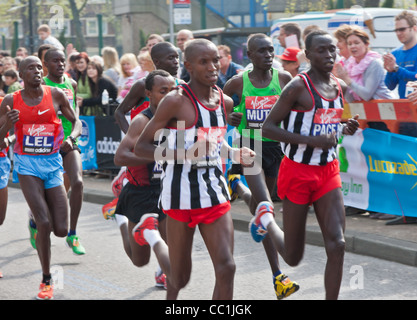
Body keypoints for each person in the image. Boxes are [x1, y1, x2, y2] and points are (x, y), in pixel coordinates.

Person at [134, 39, 254, 300]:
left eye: (215, 60)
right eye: (204, 61)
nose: (212, 67)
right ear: (188, 65)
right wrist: (186, 154)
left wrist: (234, 153)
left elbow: (214, 140)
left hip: (214, 191)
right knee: (179, 276)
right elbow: (141, 148)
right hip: (179, 195)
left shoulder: (224, 101)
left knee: (227, 267)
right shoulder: (175, 101)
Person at [255, 30, 360, 300]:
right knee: (292, 256)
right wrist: (310, 141)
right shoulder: (297, 87)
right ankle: (266, 218)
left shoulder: (340, 87)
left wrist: (343, 128)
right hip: (297, 171)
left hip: (328, 172)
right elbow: (268, 127)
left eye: (332, 50)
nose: (329, 55)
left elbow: (324, 120)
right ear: (308, 54)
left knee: (337, 245)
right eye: (321, 50)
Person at [223, 33, 299, 300]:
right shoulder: (237, 82)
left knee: (262, 204)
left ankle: (235, 185)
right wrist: (228, 116)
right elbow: (216, 108)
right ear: (250, 55)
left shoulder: (284, 80)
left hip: (276, 148)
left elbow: (297, 113)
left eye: (271, 50)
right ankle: (278, 276)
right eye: (262, 51)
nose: (268, 55)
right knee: (266, 207)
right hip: (248, 144)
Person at [0, 56, 82, 300]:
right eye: (30, 68)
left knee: (61, 229)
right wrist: (7, 126)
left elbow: (75, 121)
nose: (36, 71)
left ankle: (36, 223)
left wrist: (72, 138)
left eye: (38, 67)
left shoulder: (56, 94)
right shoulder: (10, 100)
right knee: (45, 223)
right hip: (27, 167)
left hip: (53, 165)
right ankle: (46, 279)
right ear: (22, 75)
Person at [113, 70, 177, 295]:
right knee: (139, 260)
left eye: (172, 90)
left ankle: (167, 279)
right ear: (149, 94)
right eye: (163, 91)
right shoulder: (141, 121)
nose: (169, 95)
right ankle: (121, 219)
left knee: (173, 252)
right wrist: (159, 155)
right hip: (140, 192)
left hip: (167, 190)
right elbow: (120, 157)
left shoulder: (180, 118)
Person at [41, 48, 86, 255]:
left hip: (68, 143)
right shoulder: (40, 85)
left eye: (62, 61)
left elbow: (75, 115)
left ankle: (73, 233)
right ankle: (35, 223)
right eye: (55, 61)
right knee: (47, 195)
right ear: (45, 65)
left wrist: (72, 137)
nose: (60, 64)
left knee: (77, 182)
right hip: (45, 145)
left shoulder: (72, 84)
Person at [114, 42, 181, 134]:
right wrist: (132, 138)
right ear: (156, 61)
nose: (176, 61)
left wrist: (181, 144)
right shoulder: (143, 84)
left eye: (177, 57)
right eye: (171, 58)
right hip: (146, 144)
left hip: (170, 144)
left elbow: (182, 119)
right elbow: (119, 112)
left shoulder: (181, 84)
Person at [334, 27, 394, 102]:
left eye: (356, 43)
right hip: (364, 110)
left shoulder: (374, 63)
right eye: (349, 44)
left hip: (387, 108)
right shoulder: (349, 65)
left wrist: (347, 80)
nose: (352, 46)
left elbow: (366, 95)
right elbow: (350, 98)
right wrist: (340, 81)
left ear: (366, 44)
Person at [383, 10, 417, 99]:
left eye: (402, 29)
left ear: (414, 28)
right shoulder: (395, 54)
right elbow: (390, 86)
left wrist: (396, 69)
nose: (398, 33)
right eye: (396, 30)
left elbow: (415, 77)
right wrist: (390, 71)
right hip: (404, 107)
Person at [0, 104, 14, 279]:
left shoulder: (5, 103)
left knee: (0, 217)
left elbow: (23, 131)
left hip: (1, 162)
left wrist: (9, 140)